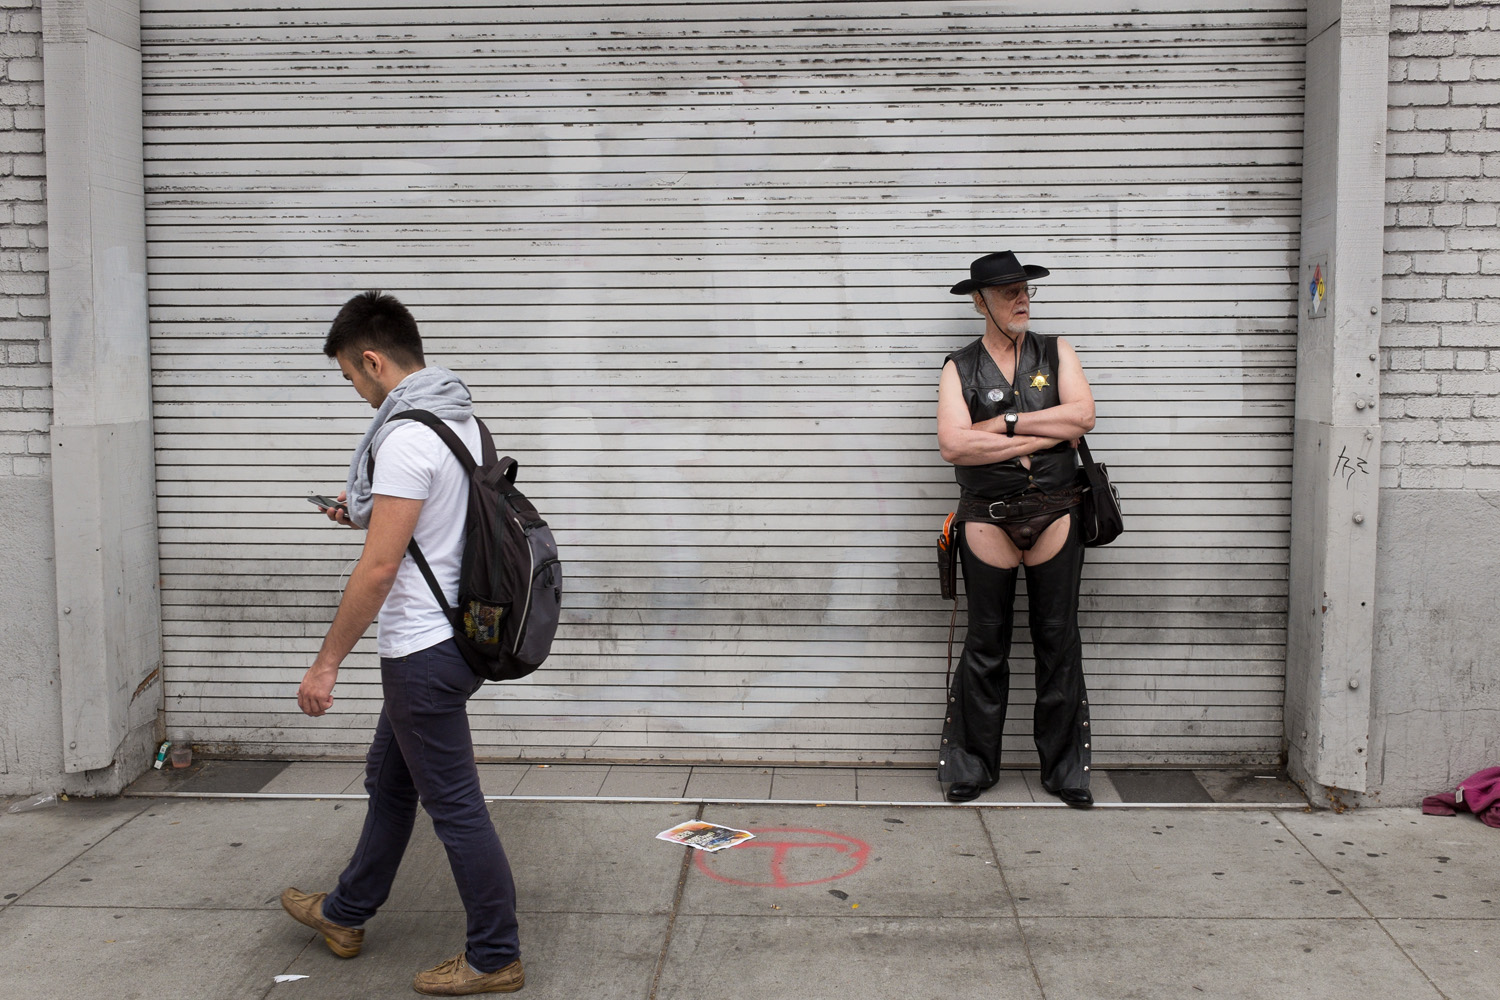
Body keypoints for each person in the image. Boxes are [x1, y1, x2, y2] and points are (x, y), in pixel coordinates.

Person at [279, 291, 524, 995]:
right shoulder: (464, 421)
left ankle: (494, 956)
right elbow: (441, 525)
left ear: (374, 360)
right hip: (461, 638)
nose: (355, 391)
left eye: (351, 377)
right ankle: (345, 912)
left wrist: (327, 663)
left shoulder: (406, 435)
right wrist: (365, 514)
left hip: (421, 651)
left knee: (454, 804)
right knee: (390, 783)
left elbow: (382, 568)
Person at [935, 252, 1098, 808]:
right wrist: (1043, 436)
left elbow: (1082, 417)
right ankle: (971, 766)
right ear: (979, 302)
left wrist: (1003, 425)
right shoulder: (959, 367)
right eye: (1007, 293)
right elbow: (954, 445)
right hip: (988, 515)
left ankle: (1066, 771)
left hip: (1056, 508)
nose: (1021, 299)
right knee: (986, 644)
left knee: (1059, 642)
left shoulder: (1057, 352)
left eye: (1025, 289)